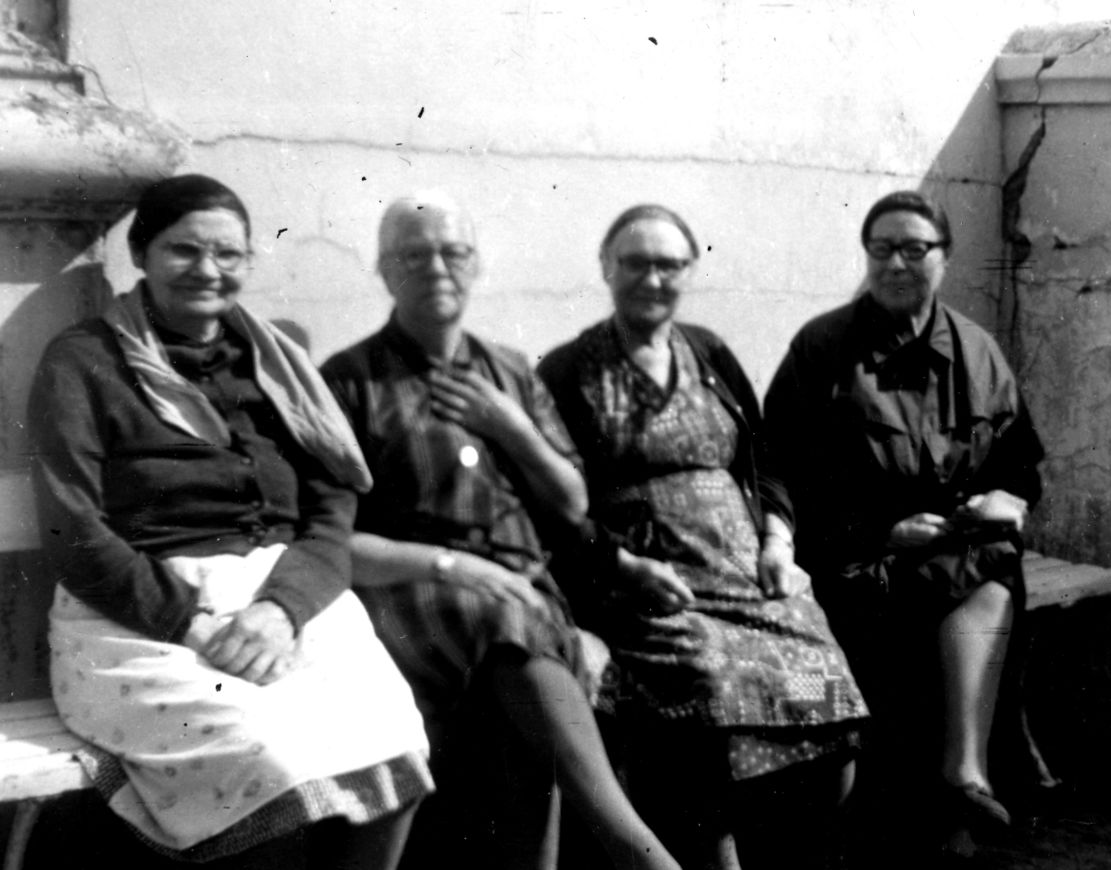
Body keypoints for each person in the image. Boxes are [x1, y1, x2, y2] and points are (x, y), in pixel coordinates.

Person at [27, 174, 433, 869]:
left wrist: (283, 608)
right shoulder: (84, 360)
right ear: (141, 253)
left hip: (281, 601)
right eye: (184, 250)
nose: (208, 270)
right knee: (265, 759)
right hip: (140, 615)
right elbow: (73, 531)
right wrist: (191, 621)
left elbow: (331, 508)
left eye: (229, 254)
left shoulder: (274, 363)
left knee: (393, 737)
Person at [319, 192, 680, 870]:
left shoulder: (510, 371)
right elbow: (329, 541)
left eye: (453, 252)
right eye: (413, 256)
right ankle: (641, 854)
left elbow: (572, 503)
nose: (436, 268)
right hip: (413, 595)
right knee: (506, 624)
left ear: (477, 264)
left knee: (518, 661)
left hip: (523, 591)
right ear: (384, 270)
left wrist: (510, 427)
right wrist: (452, 566)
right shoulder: (348, 381)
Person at [538, 204, 870, 870]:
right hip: (646, 580)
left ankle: (793, 846)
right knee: (707, 685)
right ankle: (717, 857)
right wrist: (622, 566)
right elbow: (553, 503)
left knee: (826, 680)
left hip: (745, 571)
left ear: (689, 271)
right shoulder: (570, 369)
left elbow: (763, 457)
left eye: (668, 265)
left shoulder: (709, 351)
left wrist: (777, 543)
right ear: (606, 268)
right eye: (636, 263)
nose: (652, 279)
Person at [763, 190, 1047, 852]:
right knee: (947, 593)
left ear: (944, 257)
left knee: (994, 572)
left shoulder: (978, 352)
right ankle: (953, 800)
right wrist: (880, 534)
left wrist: (1005, 502)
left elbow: (1020, 468)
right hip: (852, 555)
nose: (897, 263)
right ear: (867, 256)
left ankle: (965, 778)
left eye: (915, 249)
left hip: (955, 550)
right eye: (882, 249)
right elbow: (776, 472)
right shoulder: (822, 348)